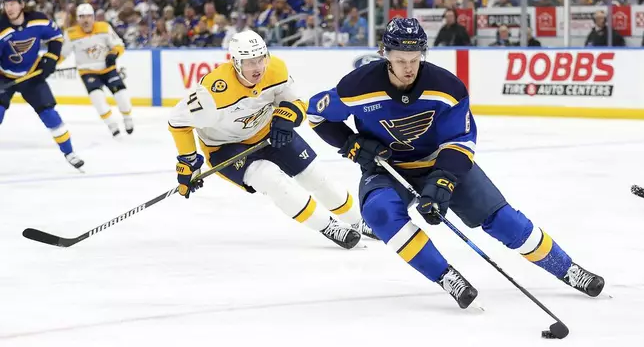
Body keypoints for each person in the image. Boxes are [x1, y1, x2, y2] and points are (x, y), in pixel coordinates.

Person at [306, 18, 605, 309]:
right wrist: (351, 144)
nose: (408, 67)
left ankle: (567, 269)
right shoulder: (357, 86)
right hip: (389, 169)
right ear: (385, 54)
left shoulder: (446, 87)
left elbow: (460, 140)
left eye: (415, 58)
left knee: (503, 221)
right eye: (400, 60)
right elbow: (316, 114)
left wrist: (443, 180)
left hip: (439, 163)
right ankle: (446, 276)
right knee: (379, 214)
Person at [167, 30, 376, 249]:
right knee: (270, 178)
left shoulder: (275, 68)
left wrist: (287, 118)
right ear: (235, 62)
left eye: (260, 59)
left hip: (267, 132)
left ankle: (359, 221)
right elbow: (177, 122)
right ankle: (328, 226)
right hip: (226, 148)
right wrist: (188, 161)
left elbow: (296, 101)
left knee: (315, 176)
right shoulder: (212, 93)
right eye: (249, 62)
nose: (257, 68)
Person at [0, 0, 84, 169]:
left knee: (49, 113)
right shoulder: (1, 27)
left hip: (31, 75)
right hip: (4, 76)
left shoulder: (38, 20)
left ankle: (69, 152)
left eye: (13, 3)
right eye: (6, 3)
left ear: (22, 4)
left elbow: (56, 37)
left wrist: (50, 59)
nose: (9, 8)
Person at [61, 3, 133, 137]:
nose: (86, 20)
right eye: (82, 17)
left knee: (121, 95)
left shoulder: (104, 27)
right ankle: (112, 125)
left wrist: (114, 54)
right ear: (77, 19)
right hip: (88, 72)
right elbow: (62, 54)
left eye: (88, 16)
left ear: (94, 17)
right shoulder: (71, 34)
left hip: (108, 69)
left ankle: (128, 118)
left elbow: (119, 45)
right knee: (97, 98)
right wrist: (50, 64)